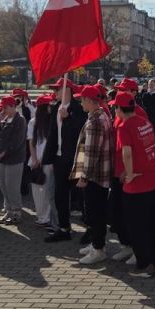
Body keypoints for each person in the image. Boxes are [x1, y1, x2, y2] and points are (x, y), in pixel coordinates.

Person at [113, 91, 155, 275]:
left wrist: (129, 173)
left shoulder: (124, 127)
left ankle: (144, 265)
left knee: (138, 228)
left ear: (119, 109)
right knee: (153, 227)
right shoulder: (145, 121)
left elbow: (126, 153)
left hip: (138, 186)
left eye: (115, 108)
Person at [72, 85, 115, 264]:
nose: (80, 103)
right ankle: (97, 244)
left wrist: (84, 177)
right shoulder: (102, 115)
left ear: (90, 101)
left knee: (95, 214)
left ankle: (98, 249)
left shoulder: (96, 121)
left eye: (82, 100)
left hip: (95, 177)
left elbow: (92, 153)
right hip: (100, 175)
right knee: (97, 213)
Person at [43, 78, 87, 243]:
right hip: (59, 158)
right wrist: (49, 157)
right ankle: (64, 228)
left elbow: (81, 131)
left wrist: (68, 117)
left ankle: (91, 230)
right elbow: (52, 134)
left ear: (67, 90)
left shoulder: (79, 108)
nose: (54, 92)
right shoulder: (56, 108)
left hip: (76, 159)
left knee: (82, 196)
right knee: (60, 195)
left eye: (57, 89)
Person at [0, 95, 28, 225]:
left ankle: (16, 211)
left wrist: (4, 152)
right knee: (3, 185)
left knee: (12, 186)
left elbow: (17, 141)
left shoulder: (20, 120)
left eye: (5, 108)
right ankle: (9, 210)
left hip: (14, 159)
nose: (3, 110)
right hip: (2, 159)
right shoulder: (4, 120)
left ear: (12, 107)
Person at [27, 94, 54, 227]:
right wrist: (34, 159)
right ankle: (42, 216)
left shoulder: (53, 121)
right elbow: (31, 142)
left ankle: (46, 217)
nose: (51, 107)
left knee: (46, 189)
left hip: (48, 161)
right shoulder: (33, 122)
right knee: (38, 189)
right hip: (38, 161)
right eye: (49, 105)